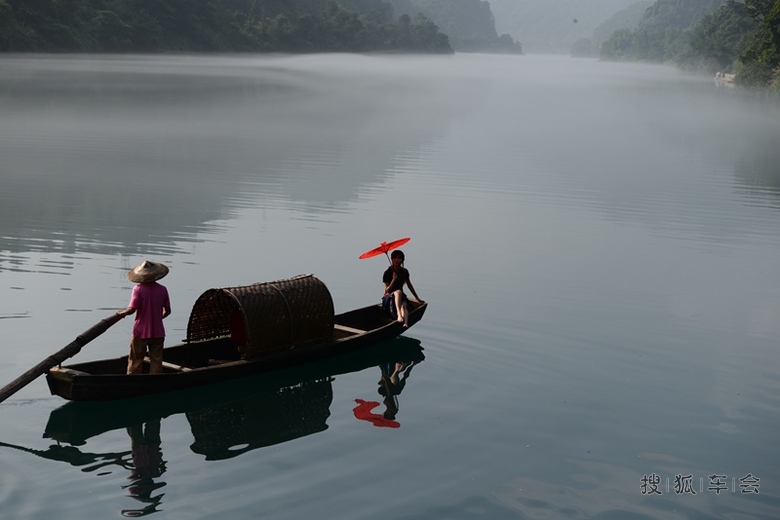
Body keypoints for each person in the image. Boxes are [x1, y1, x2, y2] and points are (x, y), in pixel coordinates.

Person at [116, 261, 171, 375]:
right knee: (156, 361)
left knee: (135, 360)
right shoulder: (163, 289)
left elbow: (132, 309)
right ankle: (155, 381)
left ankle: (133, 381)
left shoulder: (138, 289)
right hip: (158, 332)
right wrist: (157, 319)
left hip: (140, 332)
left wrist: (122, 313)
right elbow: (168, 311)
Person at [382, 249, 422, 328]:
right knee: (398, 291)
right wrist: (393, 280)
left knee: (403, 306)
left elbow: (409, 285)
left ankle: (405, 323)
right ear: (392, 259)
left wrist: (417, 298)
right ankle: (399, 315)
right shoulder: (387, 272)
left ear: (402, 260)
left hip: (400, 297)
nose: (396, 260)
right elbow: (387, 290)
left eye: (399, 258)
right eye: (394, 258)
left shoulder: (404, 271)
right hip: (389, 297)